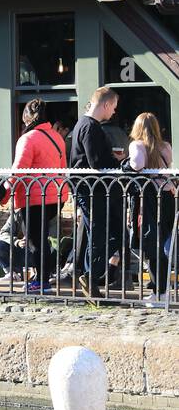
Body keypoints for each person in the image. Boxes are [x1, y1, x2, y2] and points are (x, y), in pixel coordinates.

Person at [69, 87, 124, 295]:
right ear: (106, 104)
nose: (114, 113)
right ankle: (90, 277)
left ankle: (89, 277)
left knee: (100, 232)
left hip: (90, 188)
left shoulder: (83, 124)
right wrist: (117, 161)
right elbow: (96, 161)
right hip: (91, 188)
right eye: (114, 108)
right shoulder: (90, 127)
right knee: (101, 233)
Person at [127, 111, 174, 303]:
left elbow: (137, 165)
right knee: (160, 243)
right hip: (167, 196)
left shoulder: (137, 145)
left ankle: (160, 292)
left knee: (151, 244)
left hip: (149, 198)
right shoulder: (166, 146)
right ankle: (159, 290)